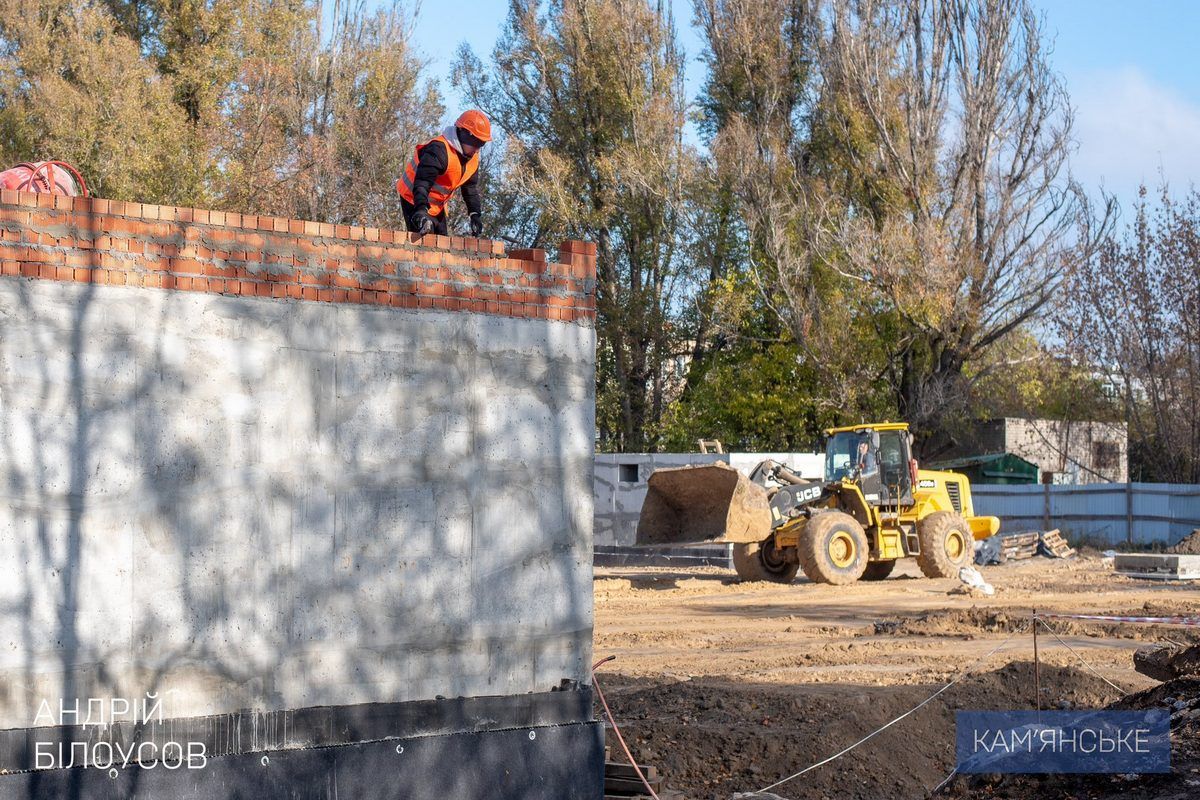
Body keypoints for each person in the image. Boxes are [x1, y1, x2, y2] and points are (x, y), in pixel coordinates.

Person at [396, 110, 491, 237]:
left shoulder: (472, 158)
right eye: (477, 143)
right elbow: (422, 183)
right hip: (413, 198)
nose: (478, 149)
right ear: (465, 136)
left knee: (442, 244)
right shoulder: (439, 150)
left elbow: (470, 188)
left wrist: (475, 214)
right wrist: (420, 210)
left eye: (482, 144)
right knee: (423, 245)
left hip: (437, 206)